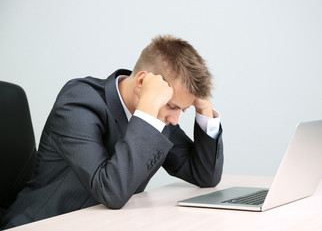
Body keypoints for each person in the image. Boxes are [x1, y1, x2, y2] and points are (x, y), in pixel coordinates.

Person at [1, 35, 224, 229]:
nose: (174, 120)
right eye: (173, 107)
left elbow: (204, 175)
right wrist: (147, 111)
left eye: (182, 110)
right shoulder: (79, 102)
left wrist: (204, 110)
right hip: (40, 225)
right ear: (143, 82)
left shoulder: (161, 118)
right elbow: (111, 191)